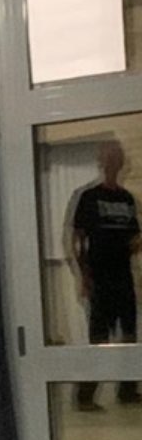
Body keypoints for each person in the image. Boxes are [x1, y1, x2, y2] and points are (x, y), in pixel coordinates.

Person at [71, 140, 141, 410]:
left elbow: (133, 240)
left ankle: (128, 391)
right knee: (99, 339)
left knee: (129, 335)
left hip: (123, 276)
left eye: (117, 156)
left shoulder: (126, 199)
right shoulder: (89, 197)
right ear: (101, 161)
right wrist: (84, 276)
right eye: (108, 156)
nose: (113, 161)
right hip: (99, 277)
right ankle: (85, 397)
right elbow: (78, 239)